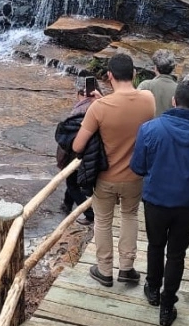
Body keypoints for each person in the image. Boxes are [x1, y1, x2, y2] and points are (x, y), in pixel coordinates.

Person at [130, 78, 189, 326]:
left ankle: (152, 288)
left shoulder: (150, 129)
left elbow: (137, 167)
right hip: (186, 204)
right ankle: (167, 304)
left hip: (155, 200)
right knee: (177, 254)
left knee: (155, 245)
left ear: (173, 101)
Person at [72, 53, 156, 287]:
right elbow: (127, 104)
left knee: (103, 221)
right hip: (135, 176)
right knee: (130, 216)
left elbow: (77, 145)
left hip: (105, 177)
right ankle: (127, 268)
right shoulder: (148, 99)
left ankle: (105, 269)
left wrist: (97, 104)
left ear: (109, 76)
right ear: (135, 74)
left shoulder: (99, 108)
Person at [54, 76, 99, 224]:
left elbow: (69, 136)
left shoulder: (79, 110)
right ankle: (66, 204)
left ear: (80, 94)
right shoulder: (100, 104)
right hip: (92, 153)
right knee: (71, 180)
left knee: (72, 184)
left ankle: (89, 213)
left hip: (78, 154)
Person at [138, 49, 177, 116]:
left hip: (149, 125)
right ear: (173, 69)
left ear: (155, 68)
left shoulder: (145, 86)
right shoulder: (179, 89)